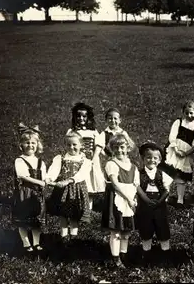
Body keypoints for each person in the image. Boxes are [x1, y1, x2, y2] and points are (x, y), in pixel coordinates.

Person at [101, 133, 139, 268]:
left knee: (126, 231)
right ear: (112, 149)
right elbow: (115, 184)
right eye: (115, 147)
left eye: (122, 147)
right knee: (116, 231)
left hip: (129, 200)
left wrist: (134, 200)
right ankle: (115, 259)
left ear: (128, 148)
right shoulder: (111, 164)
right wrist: (128, 198)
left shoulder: (133, 166)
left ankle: (124, 255)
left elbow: (136, 185)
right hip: (117, 199)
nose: (119, 150)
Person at [46, 131, 91, 242]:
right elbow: (54, 169)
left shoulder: (85, 160)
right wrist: (49, 178)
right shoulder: (60, 158)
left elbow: (82, 174)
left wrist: (69, 180)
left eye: (74, 144)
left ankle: (74, 238)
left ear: (81, 145)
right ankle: (64, 237)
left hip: (77, 189)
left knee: (74, 214)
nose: (71, 147)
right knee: (63, 214)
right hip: (62, 190)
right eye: (68, 144)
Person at [12, 124, 47, 253]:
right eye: (27, 143)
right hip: (24, 193)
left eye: (33, 143)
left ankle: (36, 242)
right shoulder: (20, 160)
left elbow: (45, 176)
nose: (30, 145)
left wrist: (47, 181)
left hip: (37, 194)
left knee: (36, 219)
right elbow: (23, 176)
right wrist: (40, 182)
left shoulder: (40, 161)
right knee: (23, 219)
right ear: (21, 144)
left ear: (37, 145)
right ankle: (26, 242)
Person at [135, 142, 172, 264]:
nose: (152, 160)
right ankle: (146, 252)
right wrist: (146, 200)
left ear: (160, 159)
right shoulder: (139, 174)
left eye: (155, 158)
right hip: (145, 203)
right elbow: (138, 188)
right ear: (143, 158)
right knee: (146, 227)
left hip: (159, 204)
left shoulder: (162, 174)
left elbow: (167, 190)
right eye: (148, 157)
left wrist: (159, 202)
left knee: (162, 226)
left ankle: (165, 252)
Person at [163, 101, 194, 206]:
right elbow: (172, 136)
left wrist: (185, 153)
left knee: (181, 177)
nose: (189, 115)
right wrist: (176, 149)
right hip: (174, 151)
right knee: (168, 173)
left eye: (192, 113)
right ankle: (165, 195)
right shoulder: (178, 122)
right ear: (183, 112)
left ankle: (180, 199)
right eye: (187, 113)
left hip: (185, 154)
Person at [67, 102, 103, 210]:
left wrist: (95, 156)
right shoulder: (72, 131)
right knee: (79, 181)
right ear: (75, 117)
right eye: (78, 116)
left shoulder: (93, 131)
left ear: (88, 117)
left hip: (91, 159)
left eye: (84, 116)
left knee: (90, 183)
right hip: (78, 159)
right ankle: (78, 207)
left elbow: (99, 144)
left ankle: (89, 208)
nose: (81, 118)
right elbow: (69, 145)